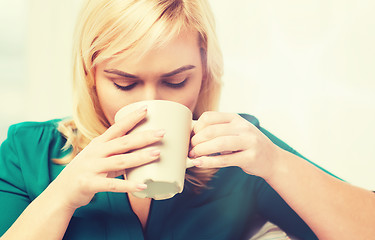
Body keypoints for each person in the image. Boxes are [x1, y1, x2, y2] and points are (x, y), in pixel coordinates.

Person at [1, 0, 375, 239]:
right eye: (124, 83)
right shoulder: (26, 152)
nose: (151, 104)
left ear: (204, 74)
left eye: (177, 81)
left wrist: (276, 163)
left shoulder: (239, 154)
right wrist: (64, 196)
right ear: (90, 76)